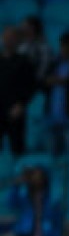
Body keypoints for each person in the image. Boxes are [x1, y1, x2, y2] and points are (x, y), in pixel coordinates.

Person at [0, 27, 37, 157]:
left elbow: (31, 86)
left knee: (17, 148)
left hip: (15, 110)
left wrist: (21, 104)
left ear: (17, 41)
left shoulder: (24, 61)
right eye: (6, 37)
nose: (8, 41)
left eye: (11, 38)